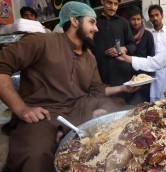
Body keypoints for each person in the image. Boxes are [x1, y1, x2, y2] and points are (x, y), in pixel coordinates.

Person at [0, 2, 137, 171]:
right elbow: (2, 67)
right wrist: (21, 109)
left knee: (119, 106)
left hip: (77, 108)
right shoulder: (41, 41)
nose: (96, 28)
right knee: (34, 155)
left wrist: (124, 88)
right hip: (44, 113)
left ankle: (74, 127)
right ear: (74, 20)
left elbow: (97, 90)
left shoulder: (90, 57)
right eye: (92, 22)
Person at [93, 0, 136, 104]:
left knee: (124, 106)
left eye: (115, 4)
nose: (113, 7)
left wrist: (123, 49)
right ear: (102, 1)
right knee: (104, 107)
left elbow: (133, 45)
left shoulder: (123, 22)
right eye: (109, 3)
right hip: (101, 74)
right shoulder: (95, 23)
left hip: (121, 74)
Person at [126, 6, 155, 104]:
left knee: (139, 106)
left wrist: (149, 79)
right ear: (128, 20)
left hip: (143, 79)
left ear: (141, 19)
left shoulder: (147, 35)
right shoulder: (125, 35)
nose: (136, 22)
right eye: (133, 19)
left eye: (138, 19)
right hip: (128, 78)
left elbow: (152, 57)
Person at [147, 4, 166, 102]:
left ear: (162, 16)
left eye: (157, 15)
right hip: (153, 73)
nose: (154, 18)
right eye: (152, 16)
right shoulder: (148, 34)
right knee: (154, 100)